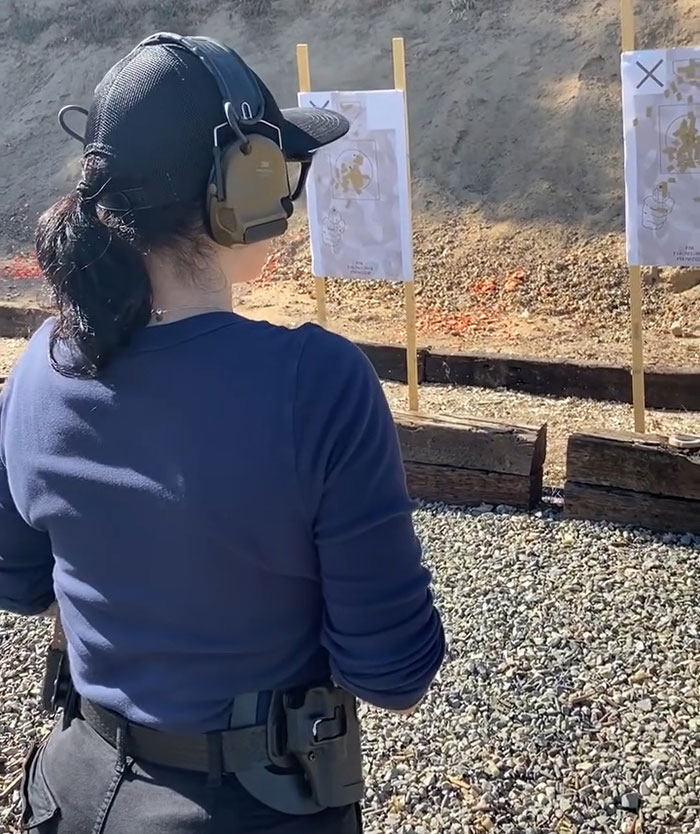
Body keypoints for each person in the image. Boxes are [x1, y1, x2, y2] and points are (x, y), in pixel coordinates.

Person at [0, 32, 445, 834]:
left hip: (75, 792)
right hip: (250, 809)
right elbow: (393, 671)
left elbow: (18, 580)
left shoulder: (40, 367)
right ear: (246, 185)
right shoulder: (319, 386)